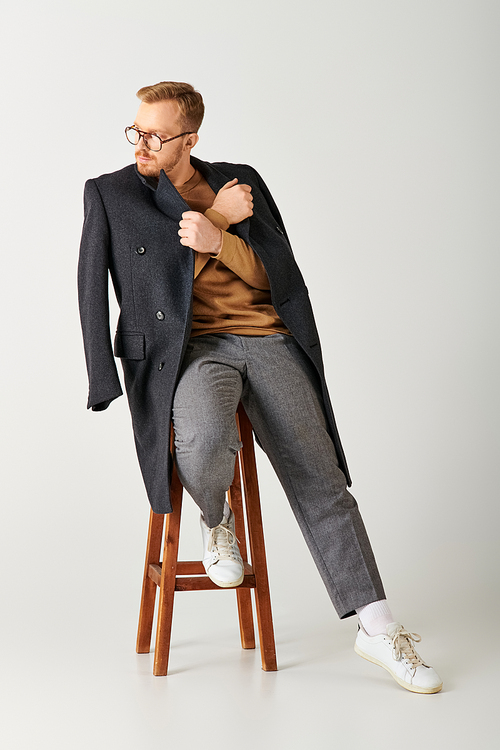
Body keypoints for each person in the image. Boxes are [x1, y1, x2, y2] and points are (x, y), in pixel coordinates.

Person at [78, 81, 442, 694]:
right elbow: (108, 287)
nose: (141, 143)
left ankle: (377, 628)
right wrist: (102, 376)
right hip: (186, 352)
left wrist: (222, 239)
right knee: (201, 441)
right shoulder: (112, 193)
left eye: (156, 135)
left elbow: (275, 271)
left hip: (266, 337)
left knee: (321, 479)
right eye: (135, 130)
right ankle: (216, 518)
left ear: (189, 139)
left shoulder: (240, 180)